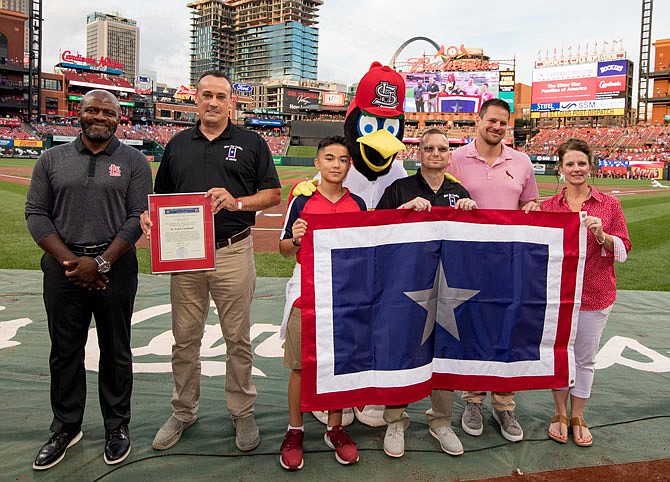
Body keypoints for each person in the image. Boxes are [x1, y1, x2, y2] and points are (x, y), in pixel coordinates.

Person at [141, 70, 281, 452]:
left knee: (238, 338)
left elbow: (272, 195)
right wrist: (150, 218)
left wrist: (236, 201)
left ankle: (242, 411)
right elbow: (162, 198)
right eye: (206, 95)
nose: (213, 102)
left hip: (233, 249)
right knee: (185, 340)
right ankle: (183, 411)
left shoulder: (251, 142)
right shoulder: (177, 145)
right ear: (197, 99)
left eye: (221, 96)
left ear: (231, 101)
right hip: (186, 257)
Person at [25, 89, 153, 470]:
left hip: (115, 266)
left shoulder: (133, 161)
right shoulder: (51, 158)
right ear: (78, 114)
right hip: (63, 266)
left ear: (119, 119)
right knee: (65, 351)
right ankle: (66, 427)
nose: (100, 117)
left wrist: (101, 262)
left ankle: (117, 426)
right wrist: (73, 263)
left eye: (108, 112)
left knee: (116, 349)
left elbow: (136, 217)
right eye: (92, 110)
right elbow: (36, 214)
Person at [376, 128, 477, 458]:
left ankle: (441, 420)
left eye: (442, 149)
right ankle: (395, 418)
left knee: (444, 347)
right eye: (429, 148)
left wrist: (472, 214)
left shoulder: (459, 191)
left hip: (447, 289)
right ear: (418, 153)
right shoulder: (399, 188)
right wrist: (402, 210)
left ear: (450, 155)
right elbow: (373, 233)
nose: (436, 153)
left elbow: (477, 245)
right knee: (401, 347)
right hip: (405, 286)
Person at [446, 98, 539, 443]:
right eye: (492, 121)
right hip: (466, 262)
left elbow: (531, 204)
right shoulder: (455, 159)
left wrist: (530, 208)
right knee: (471, 328)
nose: (497, 127)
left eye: (503, 123)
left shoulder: (523, 161)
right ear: (478, 121)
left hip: (508, 263)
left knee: (507, 329)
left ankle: (504, 403)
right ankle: (472, 400)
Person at [279, 136, 366, 471]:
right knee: (300, 365)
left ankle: (334, 427)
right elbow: (283, 249)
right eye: (329, 158)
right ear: (317, 163)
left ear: (349, 165)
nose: (335, 165)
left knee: (339, 364)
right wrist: (296, 238)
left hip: (345, 295)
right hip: (307, 291)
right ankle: (295, 429)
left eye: (343, 159)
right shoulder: (302, 200)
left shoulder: (357, 203)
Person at [542, 138, 631, 447]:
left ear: (590, 167)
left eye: (581, 163)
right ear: (561, 169)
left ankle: (578, 414)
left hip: (595, 291)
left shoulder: (609, 205)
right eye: (570, 164)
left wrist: (602, 235)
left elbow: (623, 249)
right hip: (558, 294)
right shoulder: (548, 207)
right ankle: (559, 412)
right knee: (558, 355)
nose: (576, 169)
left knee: (584, 357)